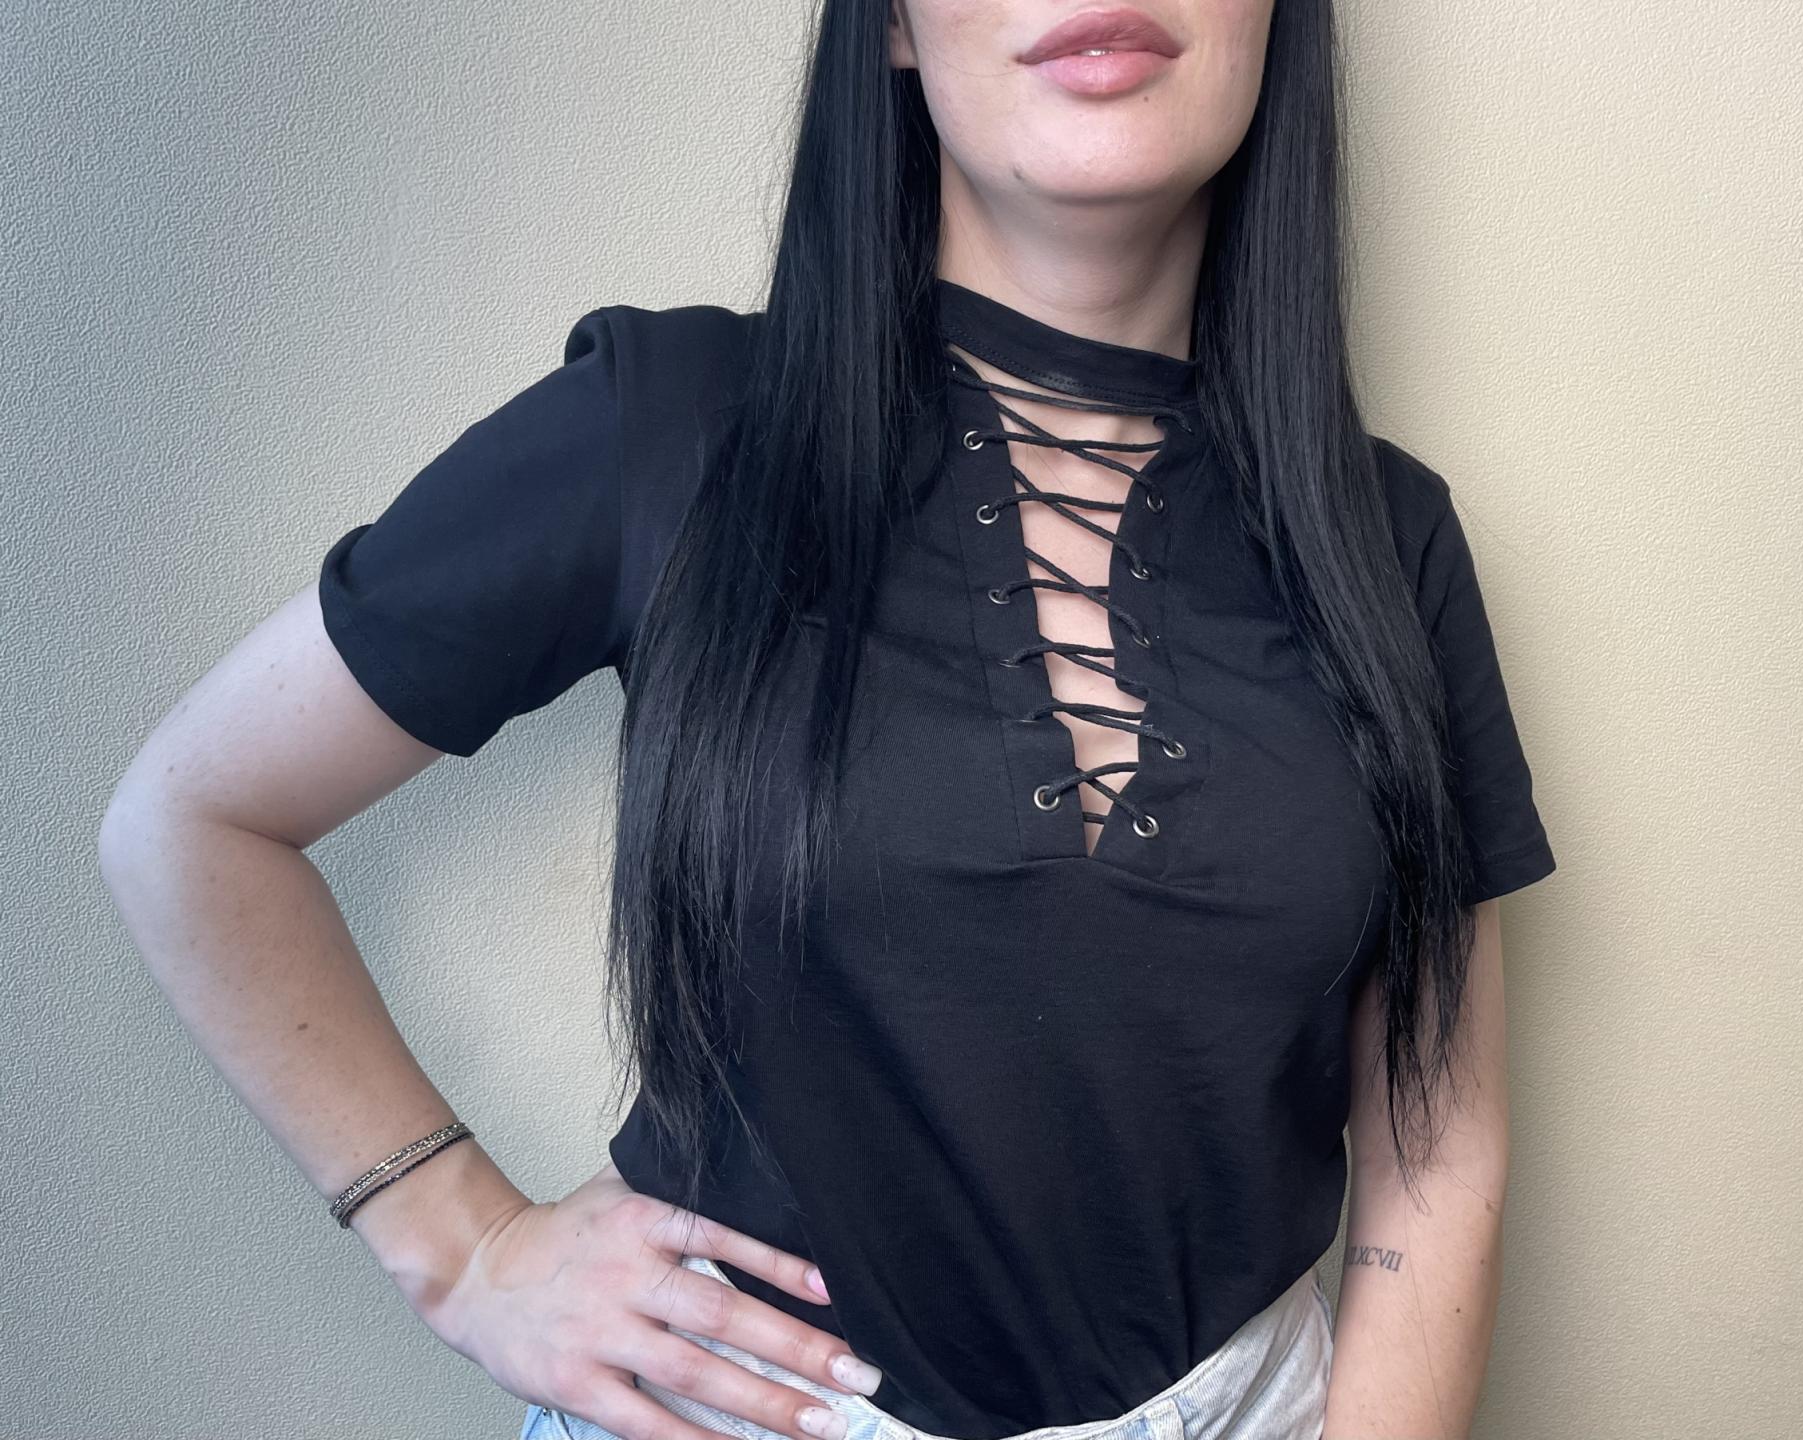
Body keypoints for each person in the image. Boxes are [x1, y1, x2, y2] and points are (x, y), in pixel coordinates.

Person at [99, 2, 1558, 1439]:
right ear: (895, 26)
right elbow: (193, 821)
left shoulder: (1388, 544)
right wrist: (460, 1245)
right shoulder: (667, 426)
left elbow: (1435, 1144)